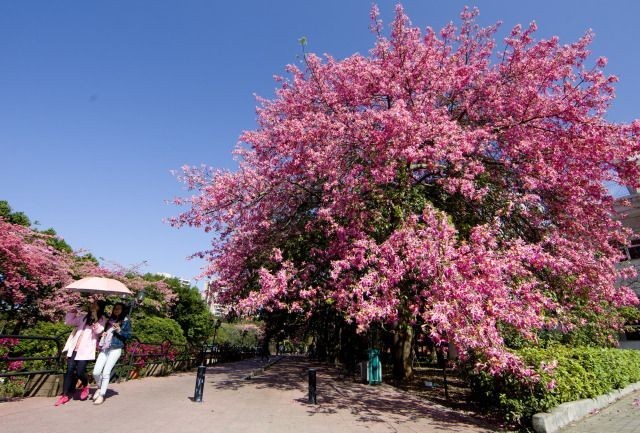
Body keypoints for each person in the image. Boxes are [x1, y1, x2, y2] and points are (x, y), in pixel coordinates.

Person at [55, 300, 106, 406]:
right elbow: (69, 322)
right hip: (74, 348)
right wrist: (73, 311)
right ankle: (64, 395)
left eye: (95, 306)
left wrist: (95, 319)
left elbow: (98, 331)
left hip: (85, 350)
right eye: (92, 305)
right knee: (69, 370)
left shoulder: (101, 319)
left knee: (79, 372)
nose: (92, 307)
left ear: (100, 308)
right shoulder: (83, 316)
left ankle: (85, 384)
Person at [92, 302, 131, 405]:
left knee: (106, 372)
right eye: (115, 308)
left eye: (119, 309)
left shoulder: (126, 321)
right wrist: (103, 334)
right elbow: (105, 332)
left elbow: (128, 336)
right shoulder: (109, 320)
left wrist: (119, 330)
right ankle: (100, 387)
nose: (116, 310)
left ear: (123, 310)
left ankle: (102, 395)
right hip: (105, 347)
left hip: (116, 348)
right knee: (96, 372)